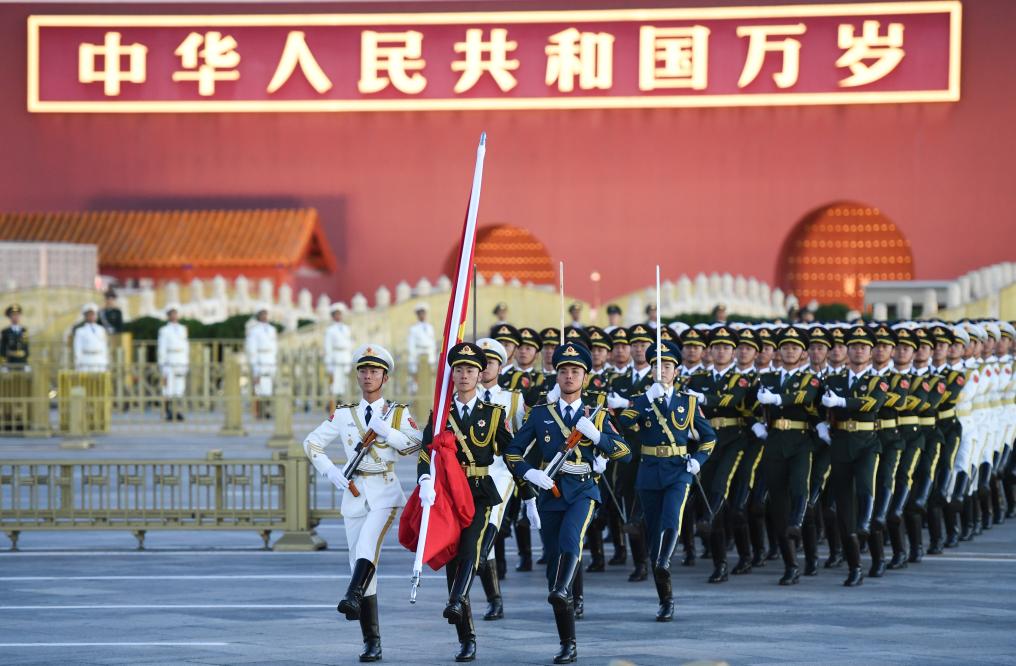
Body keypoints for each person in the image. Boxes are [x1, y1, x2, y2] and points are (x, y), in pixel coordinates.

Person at [505, 340, 630, 663]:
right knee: (554, 561)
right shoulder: (542, 413)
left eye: (576, 371)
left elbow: (624, 451)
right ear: (556, 376)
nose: (570, 376)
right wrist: (531, 475)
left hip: (583, 490)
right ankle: (567, 638)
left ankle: (565, 599)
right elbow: (513, 451)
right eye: (564, 371)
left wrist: (597, 437)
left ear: (585, 377)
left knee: (570, 540)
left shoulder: (595, 413)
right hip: (550, 491)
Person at [303, 344, 422, 663]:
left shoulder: (397, 412)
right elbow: (311, 442)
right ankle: (372, 641)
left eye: (374, 371)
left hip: (385, 490)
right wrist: (330, 471)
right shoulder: (344, 413)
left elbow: (416, 445)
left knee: (368, 546)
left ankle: (351, 595)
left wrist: (389, 433)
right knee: (360, 561)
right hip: (354, 493)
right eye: (363, 371)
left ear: (385, 376)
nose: (368, 376)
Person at [417, 342, 513, 662]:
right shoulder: (441, 413)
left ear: (480, 374)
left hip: (479, 490)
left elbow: (511, 453)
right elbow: (425, 450)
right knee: (453, 561)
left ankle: (457, 599)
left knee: (471, 549)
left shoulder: (493, 414)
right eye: (458, 369)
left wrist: (527, 485)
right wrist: (425, 479)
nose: (463, 375)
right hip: (447, 494)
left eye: (470, 370)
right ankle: (466, 637)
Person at [618, 339, 716, 620]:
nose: (662, 370)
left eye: (668, 366)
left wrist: (698, 460)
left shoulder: (688, 401)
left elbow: (709, 437)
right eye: (657, 366)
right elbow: (623, 424)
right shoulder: (641, 400)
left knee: (672, 520)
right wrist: (646, 400)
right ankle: (666, 598)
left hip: (678, 470)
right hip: (649, 470)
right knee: (653, 529)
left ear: (676, 371)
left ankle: (664, 562)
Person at [821, 325, 889, 587]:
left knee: (864, 490)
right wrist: (821, 422)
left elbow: (873, 403)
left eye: (863, 347)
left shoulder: (877, 380)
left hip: (867, 444)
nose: (859, 351)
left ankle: (877, 554)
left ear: (871, 352)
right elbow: (819, 404)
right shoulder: (834, 380)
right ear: (847, 351)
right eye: (854, 347)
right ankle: (854, 566)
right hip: (840, 445)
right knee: (844, 509)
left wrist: (841, 403)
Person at [684, 325, 754, 583]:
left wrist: (701, 398)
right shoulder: (698, 379)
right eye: (717, 347)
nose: (722, 351)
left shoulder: (741, 379)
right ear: (710, 351)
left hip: (734, 439)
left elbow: (732, 400)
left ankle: (744, 553)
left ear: (733, 352)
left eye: (726, 348)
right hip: (705, 440)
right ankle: (720, 561)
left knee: (722, 485)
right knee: (707, 494)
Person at [754, 325, 821, 585]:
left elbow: (807, 396)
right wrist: (756, 421)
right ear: (779, 351)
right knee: (778, 504)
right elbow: (754, 404)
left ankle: (810, 552)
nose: (790, 351)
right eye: (785, 347)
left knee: (799, 488)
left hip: (801, 441)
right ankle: (791, 564)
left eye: (795, 347)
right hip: (774, 442)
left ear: (803, 352)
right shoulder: (768, 378)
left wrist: (777, 398)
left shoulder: (811, 378)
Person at [474, 337, 526, 621]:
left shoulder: (512, 399)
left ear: (501, 365)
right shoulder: (463, 398)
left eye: (490, 362)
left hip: (501, 471)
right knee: (479, 535)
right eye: (480, 362)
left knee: (488, 524)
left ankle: (489, 596)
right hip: (471, 474)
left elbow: (523, 440)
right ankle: (494, 598)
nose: (484, 368)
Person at [157, 304, 189, 421]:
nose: (174, 316)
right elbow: (162, 348)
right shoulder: (164, 330)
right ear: (168, 316)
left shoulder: (183, 329)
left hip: (180, 359)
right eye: (172, 314)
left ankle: (177, 411)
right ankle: (167, 412)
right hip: (170, 359)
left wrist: (186, 362)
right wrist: (162, 365)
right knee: (168, 388)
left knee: (179, 387)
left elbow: (185, 346)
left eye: (175, 313)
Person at [245, 305, 278, 417]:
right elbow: (252, 349)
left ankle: (268, 409)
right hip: (260, 358)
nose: (264, 316)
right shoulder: (254, 330)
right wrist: (255, 366)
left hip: (270, 358)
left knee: (269, 385)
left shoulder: (272, 330)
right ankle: (259, 411)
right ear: (258, 315)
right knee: (259, 385)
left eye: (266, 313)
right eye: (262, 314)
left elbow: (274, 347)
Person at [324, 303, 353, 400]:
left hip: (345, 355)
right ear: (333, 316)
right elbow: (328, 347)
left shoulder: (346, 328)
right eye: (336, 314)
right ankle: (336, 402)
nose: (338, 316)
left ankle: (345, 401)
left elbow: (349, 343)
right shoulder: (330, 330)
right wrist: (329, 363)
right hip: (336, 355)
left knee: (345, 380)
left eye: (340, 314)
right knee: (336, 381)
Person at [73, 303, 109, 372]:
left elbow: (104, 346)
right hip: (86, 359)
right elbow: (77, 348)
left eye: (93, 314)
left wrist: (105, 360)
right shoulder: (80, 331)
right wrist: (78, 362)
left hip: (99, 359)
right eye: (88, 315)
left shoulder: (101, 329)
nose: (91, 316)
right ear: (85, 316)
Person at [407, 303, 437, 381]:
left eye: (423, 313)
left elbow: (433, 345)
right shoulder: (414, 329)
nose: (422, 315)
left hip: (429, 357)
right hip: (419, 357)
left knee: (430, 380)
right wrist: (414, 365)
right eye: (420, 313)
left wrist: (433, 360)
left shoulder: (430, 327)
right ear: (417, 315)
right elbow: (411, 347)